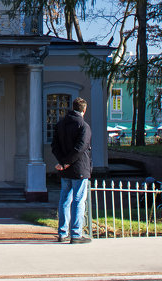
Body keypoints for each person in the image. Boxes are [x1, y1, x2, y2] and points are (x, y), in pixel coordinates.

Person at [51, 97, 92, 243]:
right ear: (84, 110)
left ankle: (62, 233)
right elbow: (80, 148)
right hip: (79, 168)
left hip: (65, 169)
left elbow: (54, 146)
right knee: (78, 201)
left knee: (64, 200)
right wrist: (67, 163)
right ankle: (76, 234)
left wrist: (62, 163)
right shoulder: (84, 126)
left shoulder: (60, 124)